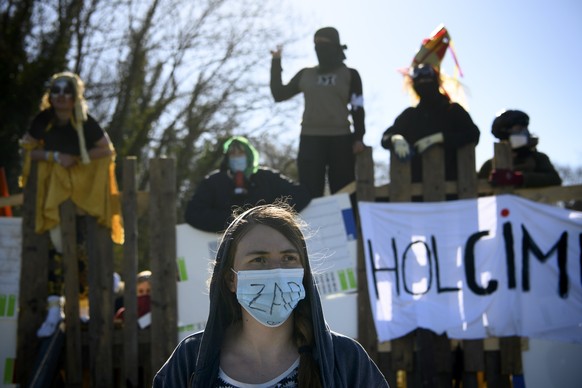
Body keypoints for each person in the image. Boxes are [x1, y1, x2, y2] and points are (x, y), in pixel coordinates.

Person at [153, 203, 389, 387]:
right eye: (259, 259)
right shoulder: (190, 359)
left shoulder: (345, 359)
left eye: (288, 258)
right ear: (230, 279)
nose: (277, 272)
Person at [20, 71, 124, 337]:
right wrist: (56, 156)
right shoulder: (44, 120)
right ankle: (55, 309)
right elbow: (29, 149)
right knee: (55, 248)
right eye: (56, 91)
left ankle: (82, 307)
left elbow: (107, 149)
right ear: (50, 95)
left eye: (67, 91)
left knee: (80, 248)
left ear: (75, 95)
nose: (62, 97)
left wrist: (78, 157)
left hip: (80, 194)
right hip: (53, 193)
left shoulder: (85, 122)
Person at [270, 27, 366, 198]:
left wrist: (359, 137)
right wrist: (276, 62)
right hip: (310, 139)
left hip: (341, 139)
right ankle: (312, 225)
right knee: (309, 194)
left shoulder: (350, 74)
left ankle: (348, 224)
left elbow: (357, 107)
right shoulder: (306, 74)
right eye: (316, 44)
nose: (319, 47)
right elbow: (279, 94)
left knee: (344, 193)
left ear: (335, 45)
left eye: (324, 43)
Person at [381, 25, 480, 185]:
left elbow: (473, 134)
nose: (423, 83)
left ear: (437, 80)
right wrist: (396, 138)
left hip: (452, 191)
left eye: (427, 78)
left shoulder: (453, 111)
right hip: (415, 193)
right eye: (418, 80)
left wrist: (440, 138)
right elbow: (386, 137)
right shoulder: (410, 115)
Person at [184, 136, 311, 233]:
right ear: (227, 158)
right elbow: (193, 213)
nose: (236, 157)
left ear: (249, 155)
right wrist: (235, 220)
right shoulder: (214, 182)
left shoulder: (266, 177)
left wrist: (268, 217)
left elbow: (301, 194)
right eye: (232, 154)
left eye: (240, 153)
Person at [478, 109, 562, 187]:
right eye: (519, 128)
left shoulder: (538, 158)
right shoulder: (489, 165)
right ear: (504, 132)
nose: (526, 132)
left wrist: (519, 178)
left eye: (526, 128)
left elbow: (555, 179)